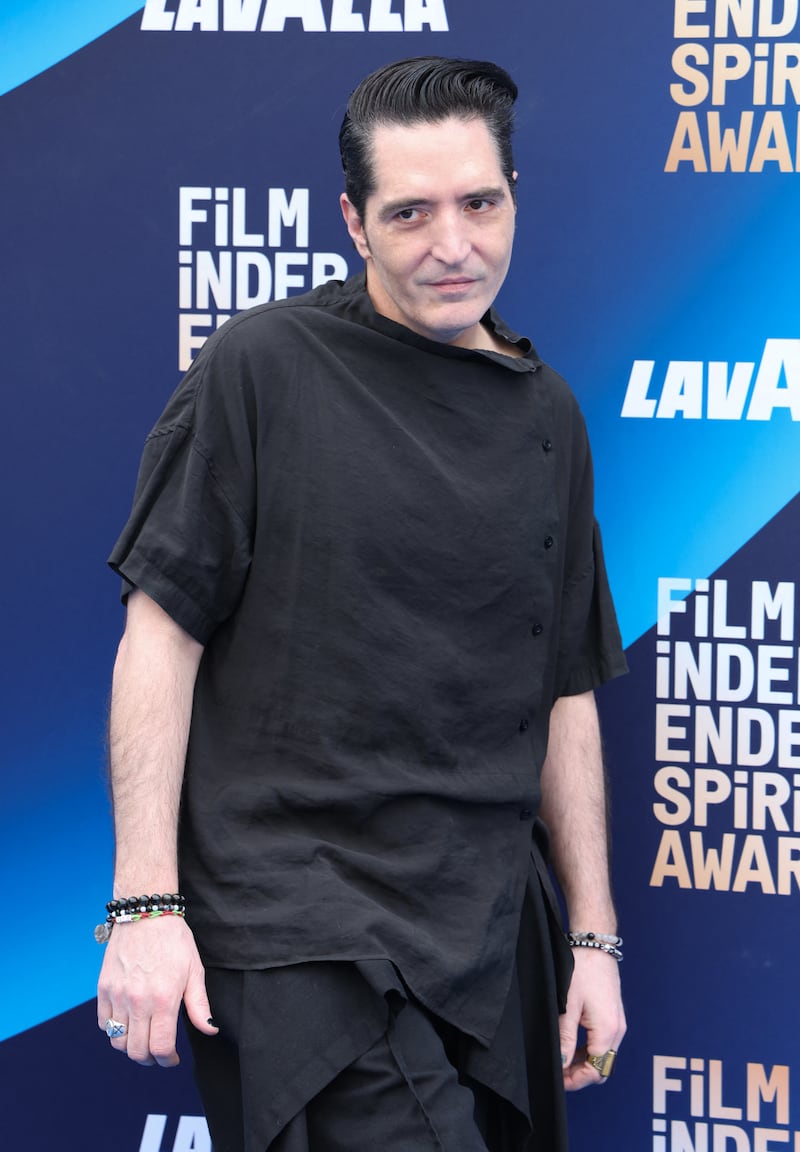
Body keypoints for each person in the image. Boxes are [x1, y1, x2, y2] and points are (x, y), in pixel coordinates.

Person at [97, 55, 628, 1152]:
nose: (453, 244)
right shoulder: (259, 369)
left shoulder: (549, 418)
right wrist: (144, 908)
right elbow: (161, 633)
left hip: (485, 929)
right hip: (297, 924)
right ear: (352, 219)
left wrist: (592, 939)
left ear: (514, 193)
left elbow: (562, 688)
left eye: (480, 203)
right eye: (410, 213)